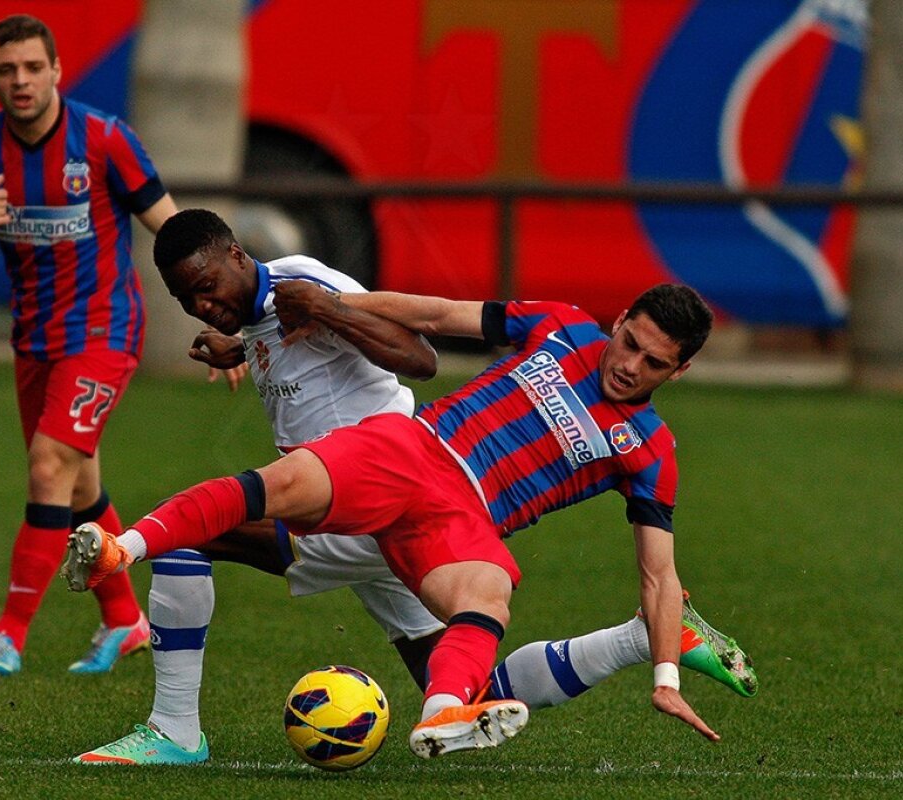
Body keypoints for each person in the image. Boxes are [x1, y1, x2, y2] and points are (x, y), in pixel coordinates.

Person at [69, 211, 755, 765]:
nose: (630, 365)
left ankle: (174, 729)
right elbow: (413, 319)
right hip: (401, 488)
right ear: (617, 322)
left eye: (653, 360)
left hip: (379, 494)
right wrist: (248, 340)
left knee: (194, 541)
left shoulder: (299, 284)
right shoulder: (562, 328)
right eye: (188, 299)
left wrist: (333, 307)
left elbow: (418, 353)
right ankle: (642, 640)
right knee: (468, 681)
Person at [0, 14, 178, 678]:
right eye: (8, 70)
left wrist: (222, 314)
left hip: (104, 330)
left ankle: (8, 634)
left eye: (34, 67)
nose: (22, 81)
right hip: (33, 340)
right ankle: (125, 621)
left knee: (46, 468)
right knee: (75, 486)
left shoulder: (103, 139)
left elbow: (172, 229)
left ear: (57, 70)